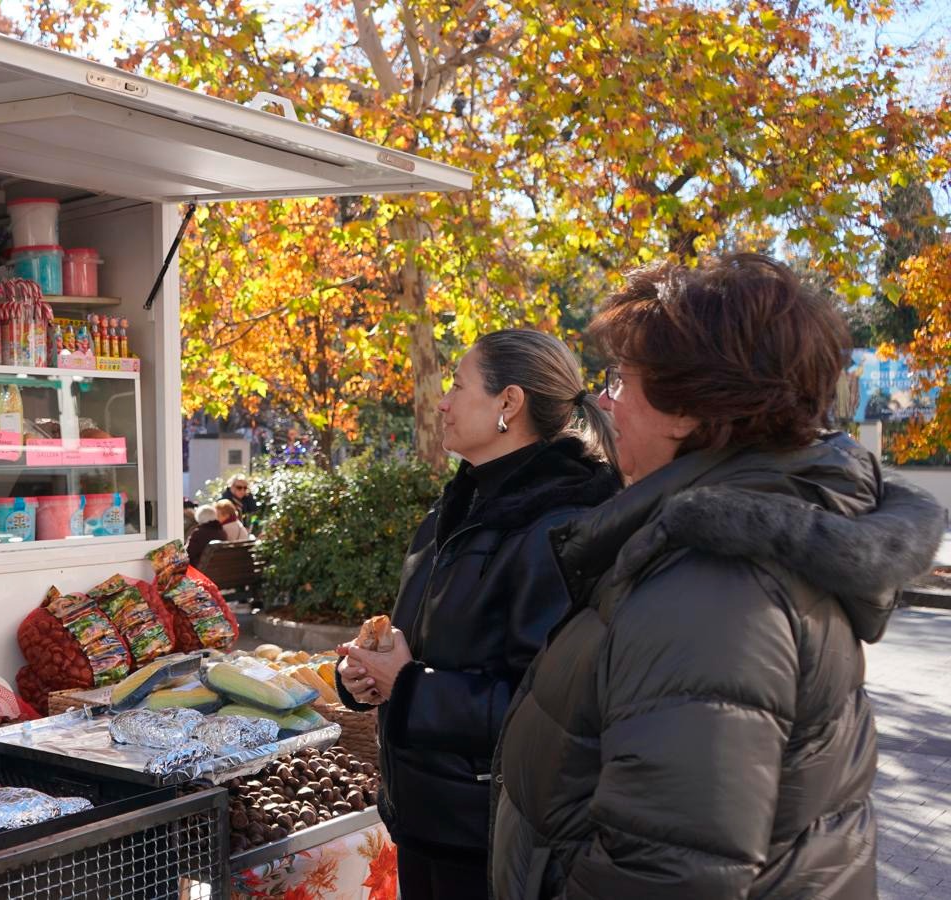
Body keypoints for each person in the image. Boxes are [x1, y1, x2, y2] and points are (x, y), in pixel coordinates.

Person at [491, 255, 948, 900]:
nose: (604, 399)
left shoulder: (715, 586)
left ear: (687, 408)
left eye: (621, 380)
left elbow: (669, 875)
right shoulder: (724, 546)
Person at [336, 329, 622, 900]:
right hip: (428, 822)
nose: (441, 401)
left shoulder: (557, 526)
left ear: (508, 404)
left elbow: (551, 709)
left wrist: (410, 686)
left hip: (491, 842)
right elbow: (427, 644)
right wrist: (368, 675)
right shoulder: (459, 505)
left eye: (458, 386)